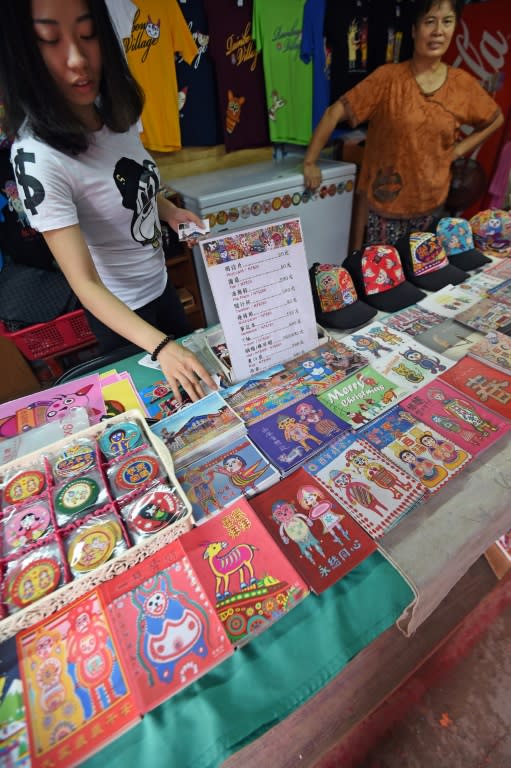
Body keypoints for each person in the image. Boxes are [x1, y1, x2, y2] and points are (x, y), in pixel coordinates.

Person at [0, 0, 216, 402]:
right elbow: (83, 283)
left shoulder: (112, 109)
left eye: (88, 35)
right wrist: (160, 346)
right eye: (51, 40)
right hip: (122, 316)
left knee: (201, 393)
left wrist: (169, 211)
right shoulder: (39, 156)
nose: (78, 59)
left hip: (160, 285)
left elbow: (135, 182)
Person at [303, 0, 504, 246]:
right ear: (414, 30)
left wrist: (459, 150)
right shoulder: (388, 79)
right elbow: (334, 113)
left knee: (424, 275)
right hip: (385, 208)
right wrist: (310, 162)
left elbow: (495, 119)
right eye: (430, 22)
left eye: (447, 22)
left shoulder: (462, 85)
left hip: (433, 204)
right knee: (383, 279)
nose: (438, 31)